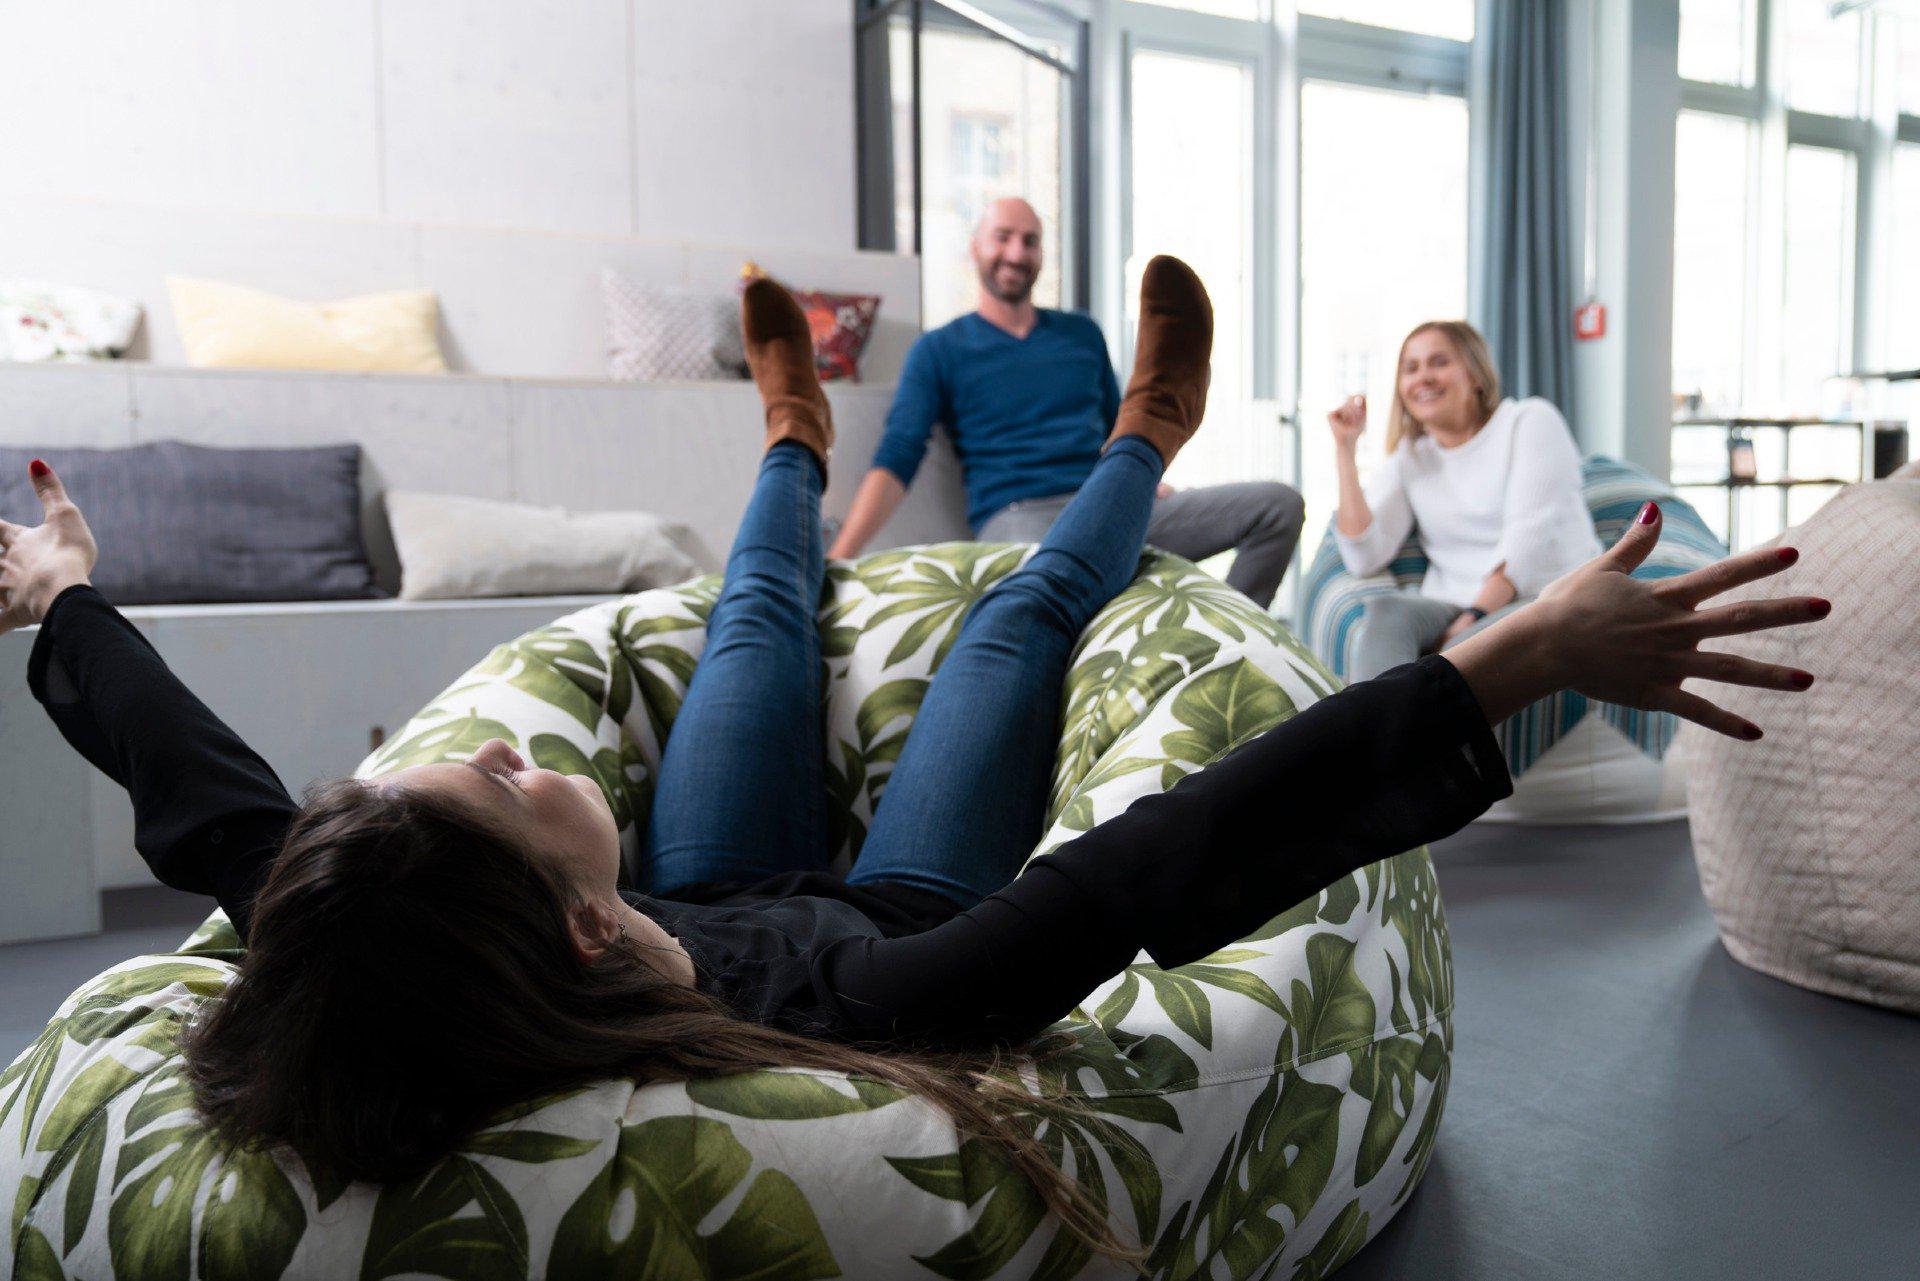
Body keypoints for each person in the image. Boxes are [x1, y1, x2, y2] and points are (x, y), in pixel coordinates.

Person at [0, 265, 1826, 1262]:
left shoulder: (388, 940)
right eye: (491, 780)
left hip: (701, 881)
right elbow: (1151, 862)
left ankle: (793, 436)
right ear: (563, 923)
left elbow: (218, 803)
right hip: (890, 886)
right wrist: (1499, 669)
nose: (492, 742)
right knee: (1024, 620)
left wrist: (64, 602)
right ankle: (1147, 437)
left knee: (751, 614)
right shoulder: (890, 987)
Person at [831, 197, 1305, 608]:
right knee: (1036, 590)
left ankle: (1227, 645)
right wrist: (840, 558)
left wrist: (1144, 477)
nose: (1017, 253)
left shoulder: (1081, 334)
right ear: (975, 248)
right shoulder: (940, 349)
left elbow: (1121, 426)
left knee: (1278, 507)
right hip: (1021, 518)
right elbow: (897, 459)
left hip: (1110, 501)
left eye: (1030, 240)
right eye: (1003, 238)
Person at [1330, 320, 1604, 681]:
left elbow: (1528, 545)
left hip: (1538, 596)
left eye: (1439, 362)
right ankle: (1378, 733)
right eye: (1411, 368)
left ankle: (1395, 729)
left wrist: (1471, 620)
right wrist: (1345, 449)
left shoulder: (1529, 421)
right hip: (1451, 600)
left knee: (1469, 655)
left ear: (1476, 374)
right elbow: (1363, 556)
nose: (1423, 377)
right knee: (1385, 612)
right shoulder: (1411, 457)